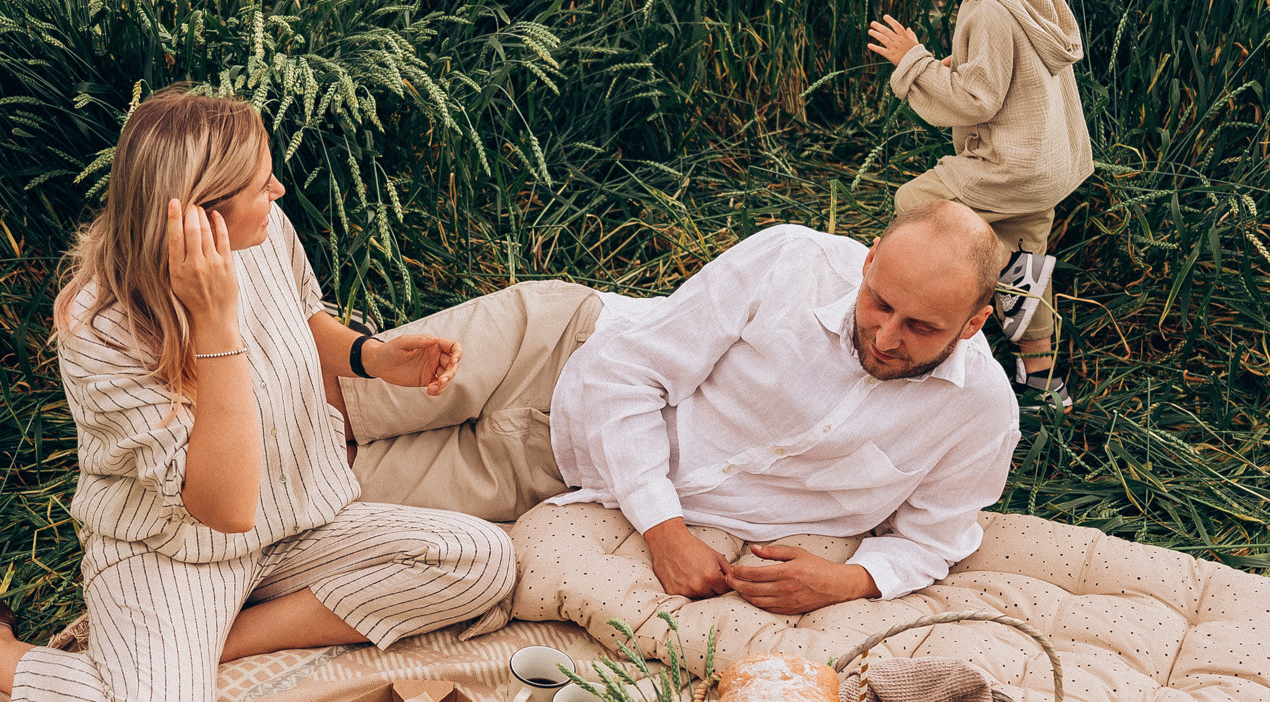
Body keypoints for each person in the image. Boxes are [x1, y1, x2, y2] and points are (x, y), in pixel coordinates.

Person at [0, 87, 515, 702]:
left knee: (483, 559)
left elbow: (304, 318)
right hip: (175, 550)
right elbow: (224, 509)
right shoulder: (97, 325)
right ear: (201, 214)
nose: (279, 189)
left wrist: (372, 356)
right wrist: (217, 323)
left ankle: (213, 639)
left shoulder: (265, 230)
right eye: (260, 183)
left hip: (300, 523)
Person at [334, 201, 1019, 613]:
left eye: (922, 327)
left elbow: (937, 539)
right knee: (330, 395)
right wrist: (665, 531)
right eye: (880, 302)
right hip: (553, 340)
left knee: (325, 484)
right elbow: (628, 370)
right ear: (869, 261)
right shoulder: (790, 259)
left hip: (555, 468)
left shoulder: (981, 416)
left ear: (974, 322)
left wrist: (849, 580)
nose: (887, 335)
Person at [863, 0, 1091, 410]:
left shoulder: (986, 8)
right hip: (1047, 168)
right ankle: (1042, 381)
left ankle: (927, 310)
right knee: (1025, 266)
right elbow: (1008, 79)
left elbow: (975, 101)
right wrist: (959, 70)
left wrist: (913, 63)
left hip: (1008, 166)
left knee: (915, 203)